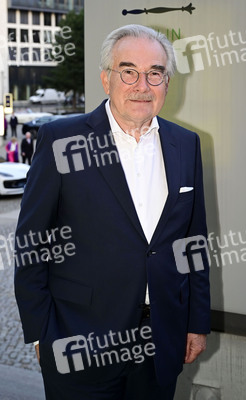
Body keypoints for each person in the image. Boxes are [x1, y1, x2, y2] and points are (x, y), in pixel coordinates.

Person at [14, 25, 210, 400]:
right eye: (128, 71)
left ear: (166, 83)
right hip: (79, 342)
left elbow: (193, 243)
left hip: (160, 343)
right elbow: (32, 243)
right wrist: (41, 331)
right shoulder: (62, 140)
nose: (142, 85)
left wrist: (197, 323)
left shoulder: (186, 143)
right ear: (106, 79)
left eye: (155, 73)